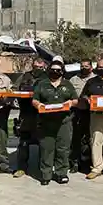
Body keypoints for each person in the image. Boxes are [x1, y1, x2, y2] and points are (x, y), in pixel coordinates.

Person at [32, 57, 78, 186]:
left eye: (58, 70)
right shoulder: (42, 83)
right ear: (48, 70)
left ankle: (61, 173)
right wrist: (39, 105)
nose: (55, 72)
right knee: (47, 148)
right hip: (46, 121)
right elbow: (34, 100)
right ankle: (46, 174)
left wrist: (70, 103)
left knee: (63, 149)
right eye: (53, 70)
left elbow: (75, 100)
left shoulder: (67, 84)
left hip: (64, 121)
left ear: (62, 71)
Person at [12, 57, 47, 178]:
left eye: (41, 67)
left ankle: (43, 169)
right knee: (23, 143)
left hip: (42, 116)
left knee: (43, 143)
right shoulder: (24, 77)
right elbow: (14, 90)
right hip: (26, 115)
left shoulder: (47, 77)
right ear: (32, 66)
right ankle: (21, 168)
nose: (38, 69)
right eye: (36, 67)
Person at [69, 59, 96, 173]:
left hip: (92, 112)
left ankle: (87, 162)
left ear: (91, 67)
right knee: (75, 138)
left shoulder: (96, 79)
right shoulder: (73, 79)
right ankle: (74, 162)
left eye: (86, 66)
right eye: (82, 66)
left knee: (89, 138)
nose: (83, 68)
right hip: (77, 111)